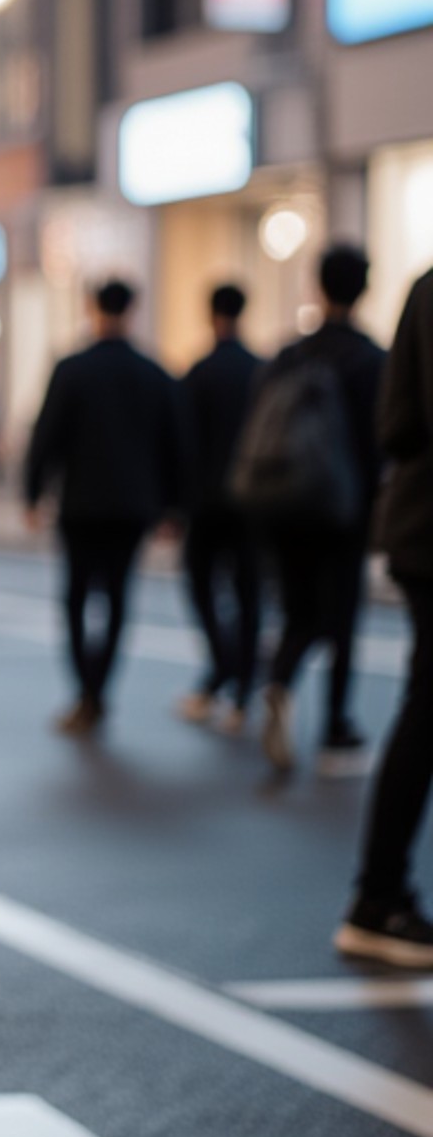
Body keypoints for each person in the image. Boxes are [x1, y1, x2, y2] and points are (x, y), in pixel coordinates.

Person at [24, 278, 185, 737]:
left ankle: (85, 690)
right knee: (117, 599)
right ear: (133, 311)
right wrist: (173, 507)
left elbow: (46, 435)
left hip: (80, 504)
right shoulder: (153, 372)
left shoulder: (72, 368)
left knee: (76, 597)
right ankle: (99, 689)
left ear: (92, 308)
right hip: (133, 507)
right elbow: (173, 444)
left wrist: (33, 495)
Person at [251, 244, 386, 778]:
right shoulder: (371, 358)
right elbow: (384, 438)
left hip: (286, 505)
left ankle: (280, 681)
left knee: (299, 610)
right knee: (344, 617)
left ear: (317, 286)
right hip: (344, 507)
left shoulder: (290, 355)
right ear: (364, 289)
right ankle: (336, 727)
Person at [337, 264, 433, 965]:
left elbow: (396, 423)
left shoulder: (425, 289)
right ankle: (376, 897)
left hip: (418, 526)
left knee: (425, 706)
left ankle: (379, 894)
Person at [176, 283, 262, 730]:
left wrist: (174, 507)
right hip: (251, 504)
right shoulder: (260, 370)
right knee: (249, 596)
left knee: (201, 588)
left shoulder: (200, 372)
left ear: (211, 315)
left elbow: (183, 444)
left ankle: (223, 666)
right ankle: (243, 688)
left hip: (206, 503)